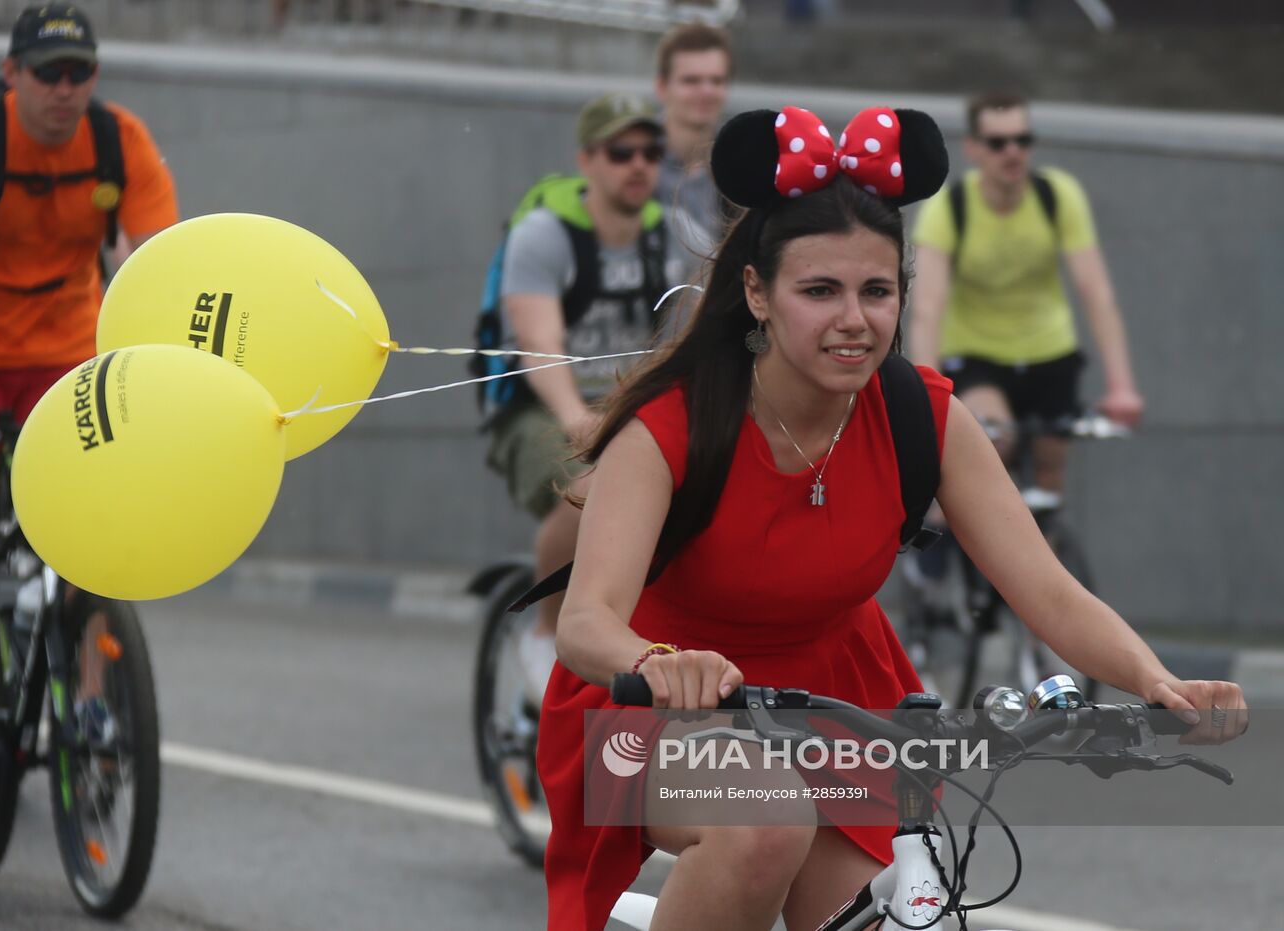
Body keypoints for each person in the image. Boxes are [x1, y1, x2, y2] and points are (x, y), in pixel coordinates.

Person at [534, 104, 1246, 931]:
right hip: (657, 709)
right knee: (763, 822)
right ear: (757, 293)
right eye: (820, 290)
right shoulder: (673, 426)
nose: (854, 319)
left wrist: (1158, 681)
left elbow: (1047, 591)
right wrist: (661, 662)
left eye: (878, 290)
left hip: (839, 707)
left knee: (897, 916)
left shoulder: (921, 416)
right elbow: (585, 623)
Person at [0, 3, 178, 763]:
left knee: (94, 517)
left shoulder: (119, 143)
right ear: (12, 74)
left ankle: (86, 699)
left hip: (68, 346)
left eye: (79, 73)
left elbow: (158, 269)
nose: (64, 88)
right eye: (48, 73)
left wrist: (167, 376)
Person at [486, 92, 698, 699]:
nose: (639, 165)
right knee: (589, 487)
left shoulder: (670, 236)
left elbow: (692, 332)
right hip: (540, 408)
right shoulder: (544, 236)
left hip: (636, 404)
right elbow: (539, 343)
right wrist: (578, 417)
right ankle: (545, 632)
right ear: (587, 160)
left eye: (651, 152)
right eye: (621, 151)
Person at [908, 90, 1143, 495]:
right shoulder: (949, 209)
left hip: (1049, 354)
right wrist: (925, 394)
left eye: (1023, 140)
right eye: (998, 143)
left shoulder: (1058, 196)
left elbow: (1096, 292)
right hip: (977, 355)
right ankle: (942, 538)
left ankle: (1042, 553)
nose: (1013, 152)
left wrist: (1122, 386)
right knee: (993, 446)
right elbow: (928, 307)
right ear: (974, 148)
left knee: (1049, 485)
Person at [653, 23, 732, 249]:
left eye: (716, 81)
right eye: (691, 80)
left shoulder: (741, 162)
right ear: (662, 86)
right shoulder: (628, 156)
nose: (706, 91)